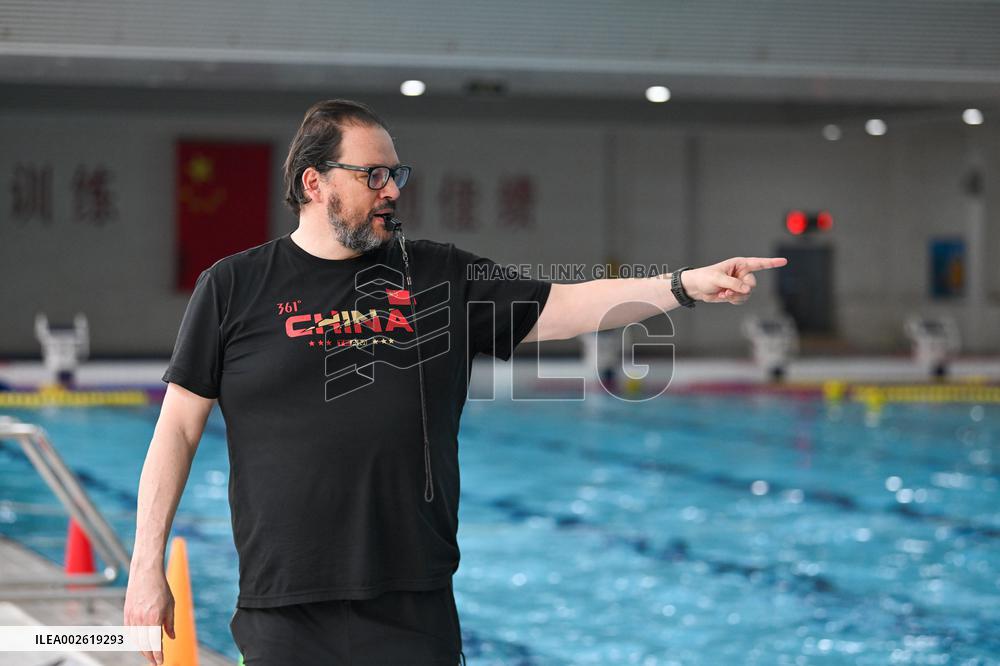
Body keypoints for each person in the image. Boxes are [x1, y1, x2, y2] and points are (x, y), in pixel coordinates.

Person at [123, 99, 787, 665]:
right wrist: (145, 567)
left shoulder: (439, 275)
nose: (392, 190)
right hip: (284, 610)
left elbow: (566, 304)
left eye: (396, 174)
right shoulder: (233, 287)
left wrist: (682, 286)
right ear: (314, 182)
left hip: (412, 604)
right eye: (374, 174)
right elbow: (177, 428)